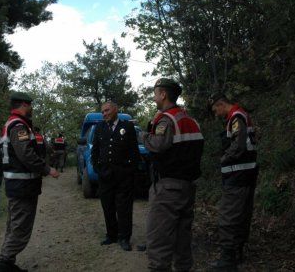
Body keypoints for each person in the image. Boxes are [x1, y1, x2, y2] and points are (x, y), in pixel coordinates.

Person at [142, 78, 204, 272]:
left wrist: (142, 135)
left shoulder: (167, 120)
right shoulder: (190, 120)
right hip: (187, 188)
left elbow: (158, 145)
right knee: (182, 242)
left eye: (155, 94)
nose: (154, 98)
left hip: (167, 190)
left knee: (159, 242)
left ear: (163, 95)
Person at [0, 92, 60, 272]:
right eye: (30, 105)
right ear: (23, 105)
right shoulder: (18, 126)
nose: (31, 108)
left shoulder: (13, 124)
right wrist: (48, 169)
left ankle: (8, 263)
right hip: (22, 187)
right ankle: (3, 266)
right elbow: (26, 155)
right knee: (20, 229)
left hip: (19, 186)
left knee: (14, 226)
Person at [208, 93, 258, 271]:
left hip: (238, 176)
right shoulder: (240, 115)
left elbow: (238, 146)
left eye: (216, 109)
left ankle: (228, 259)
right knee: (242, 215)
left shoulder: (236, 117)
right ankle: (237, 252)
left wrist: (223, 159)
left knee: (228, 217)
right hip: (246, 174)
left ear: (221, 104)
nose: (216, 114)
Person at [91, 101, 140, 251]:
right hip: (105, 176)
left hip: (123, 177)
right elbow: (95, 152)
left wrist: (130, 170)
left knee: (124, 208)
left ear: (115, 109)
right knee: (108, 206)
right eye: (102, 112)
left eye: (107, 110)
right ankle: (111, 235)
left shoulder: (127, 127)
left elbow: (134, 152)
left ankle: (124, 237)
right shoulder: (99, 127)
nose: (104, 113)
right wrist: (98, 169)